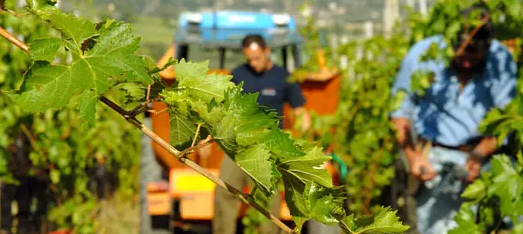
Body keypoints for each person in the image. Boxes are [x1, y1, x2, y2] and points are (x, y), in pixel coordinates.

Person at [390, 4, 517, 234]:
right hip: (434, 163)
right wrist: (413, 157)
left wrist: (480, 153)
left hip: (484, 159)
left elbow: (508, 120)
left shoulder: (500, 60)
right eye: (462, 54)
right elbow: (399, 114)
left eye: (475, 56)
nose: (467, 62)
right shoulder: (423, 55)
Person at [212, 34, 310, 234]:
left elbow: (301, 112)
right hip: (239, 145)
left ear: (267, 52)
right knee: (224, 190)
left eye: (257, 58)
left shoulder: (283, 77)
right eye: (249, 59)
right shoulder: (238, 75)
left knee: (267, 196)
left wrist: (302, 141)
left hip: (268, 148)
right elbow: (223, 109)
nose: (253, 63)